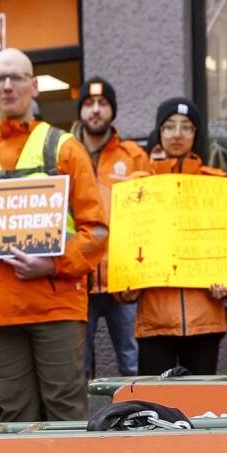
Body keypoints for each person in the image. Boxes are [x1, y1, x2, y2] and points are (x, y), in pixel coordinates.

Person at [0, 48, 107, 421]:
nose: (8, 86)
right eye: (0, 78)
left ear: (34, 86)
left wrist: (51, 263)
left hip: (55, 308)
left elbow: (97, 232)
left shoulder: (64, 149)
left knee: (65, 416)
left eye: (17, 77)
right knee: (16, 419)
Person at [123, 97, 227, 375]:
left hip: (205, 318)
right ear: (159, 133)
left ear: (196, 135)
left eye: (186, 126)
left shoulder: (217, 184)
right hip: (155, 320)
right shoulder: (138, 188)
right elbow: (127, 245)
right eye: (169, 126)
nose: (177, 134)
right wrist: (126, 282)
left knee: (203, 409)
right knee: (156, 407)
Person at [72, 76, 147, 378]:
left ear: (112, 111)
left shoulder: (133, 156)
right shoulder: (65, 154)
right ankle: (85, 424)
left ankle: (138, 419)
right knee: (80, 366)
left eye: (102, 104)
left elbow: (149, 219)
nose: (95, 110)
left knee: (132, 363)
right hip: (80, 277)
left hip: (123, 281)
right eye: (89, 104)